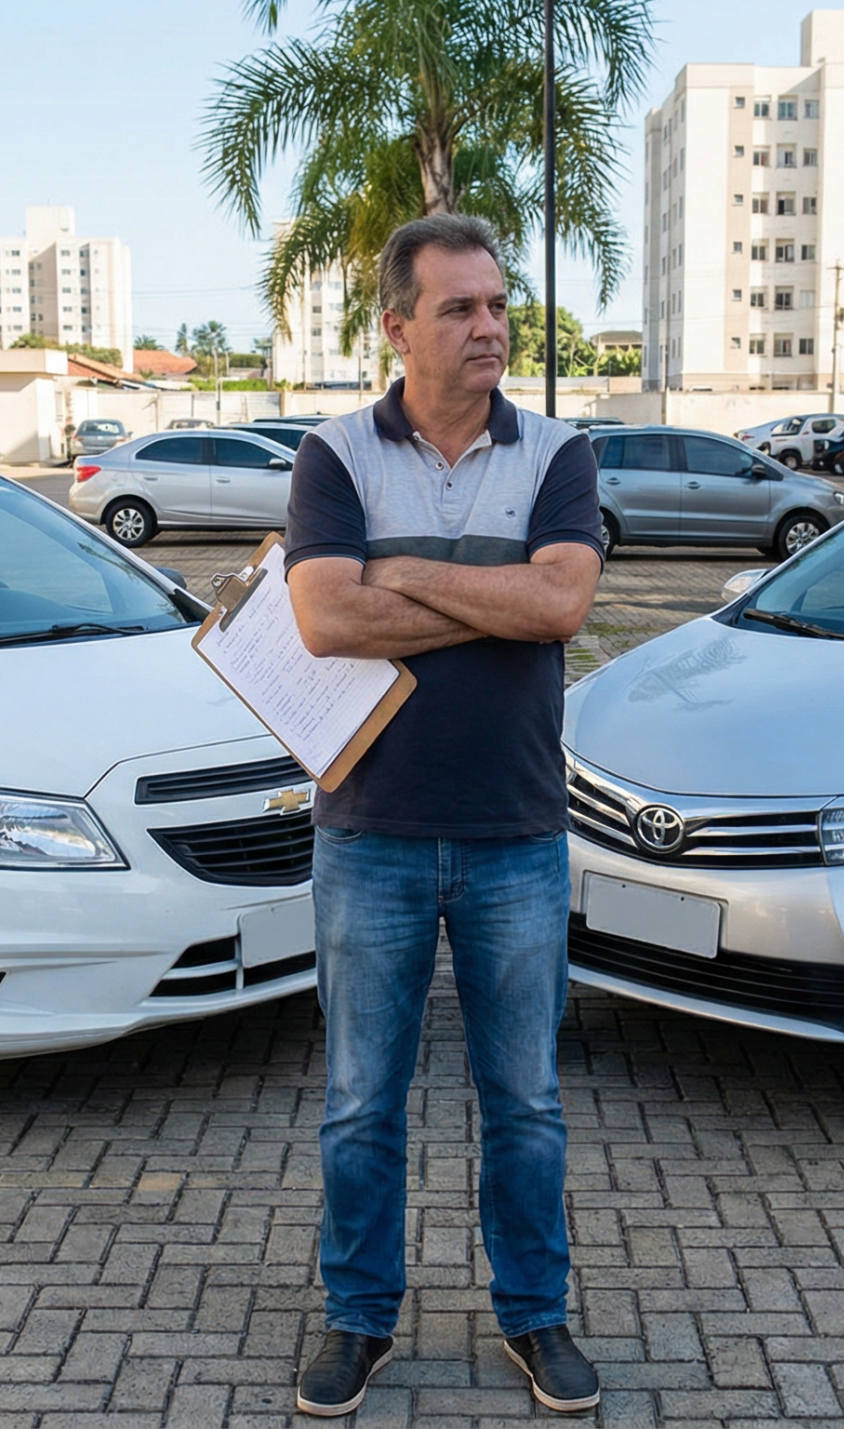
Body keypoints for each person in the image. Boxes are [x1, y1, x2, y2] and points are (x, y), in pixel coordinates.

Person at [283, 214, 605, 1417]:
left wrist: (402, 572)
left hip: (518, 833)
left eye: (496, 305)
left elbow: (564, 602)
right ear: (397, 326)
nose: (489, 327)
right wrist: (498, 592)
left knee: (523, 1103)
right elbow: (323, 621)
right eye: (460, 308)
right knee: (362, 1103)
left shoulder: (557, 452)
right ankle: (359, 1318)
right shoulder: (335, 455)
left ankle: (533, 1316)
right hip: (368, 830)